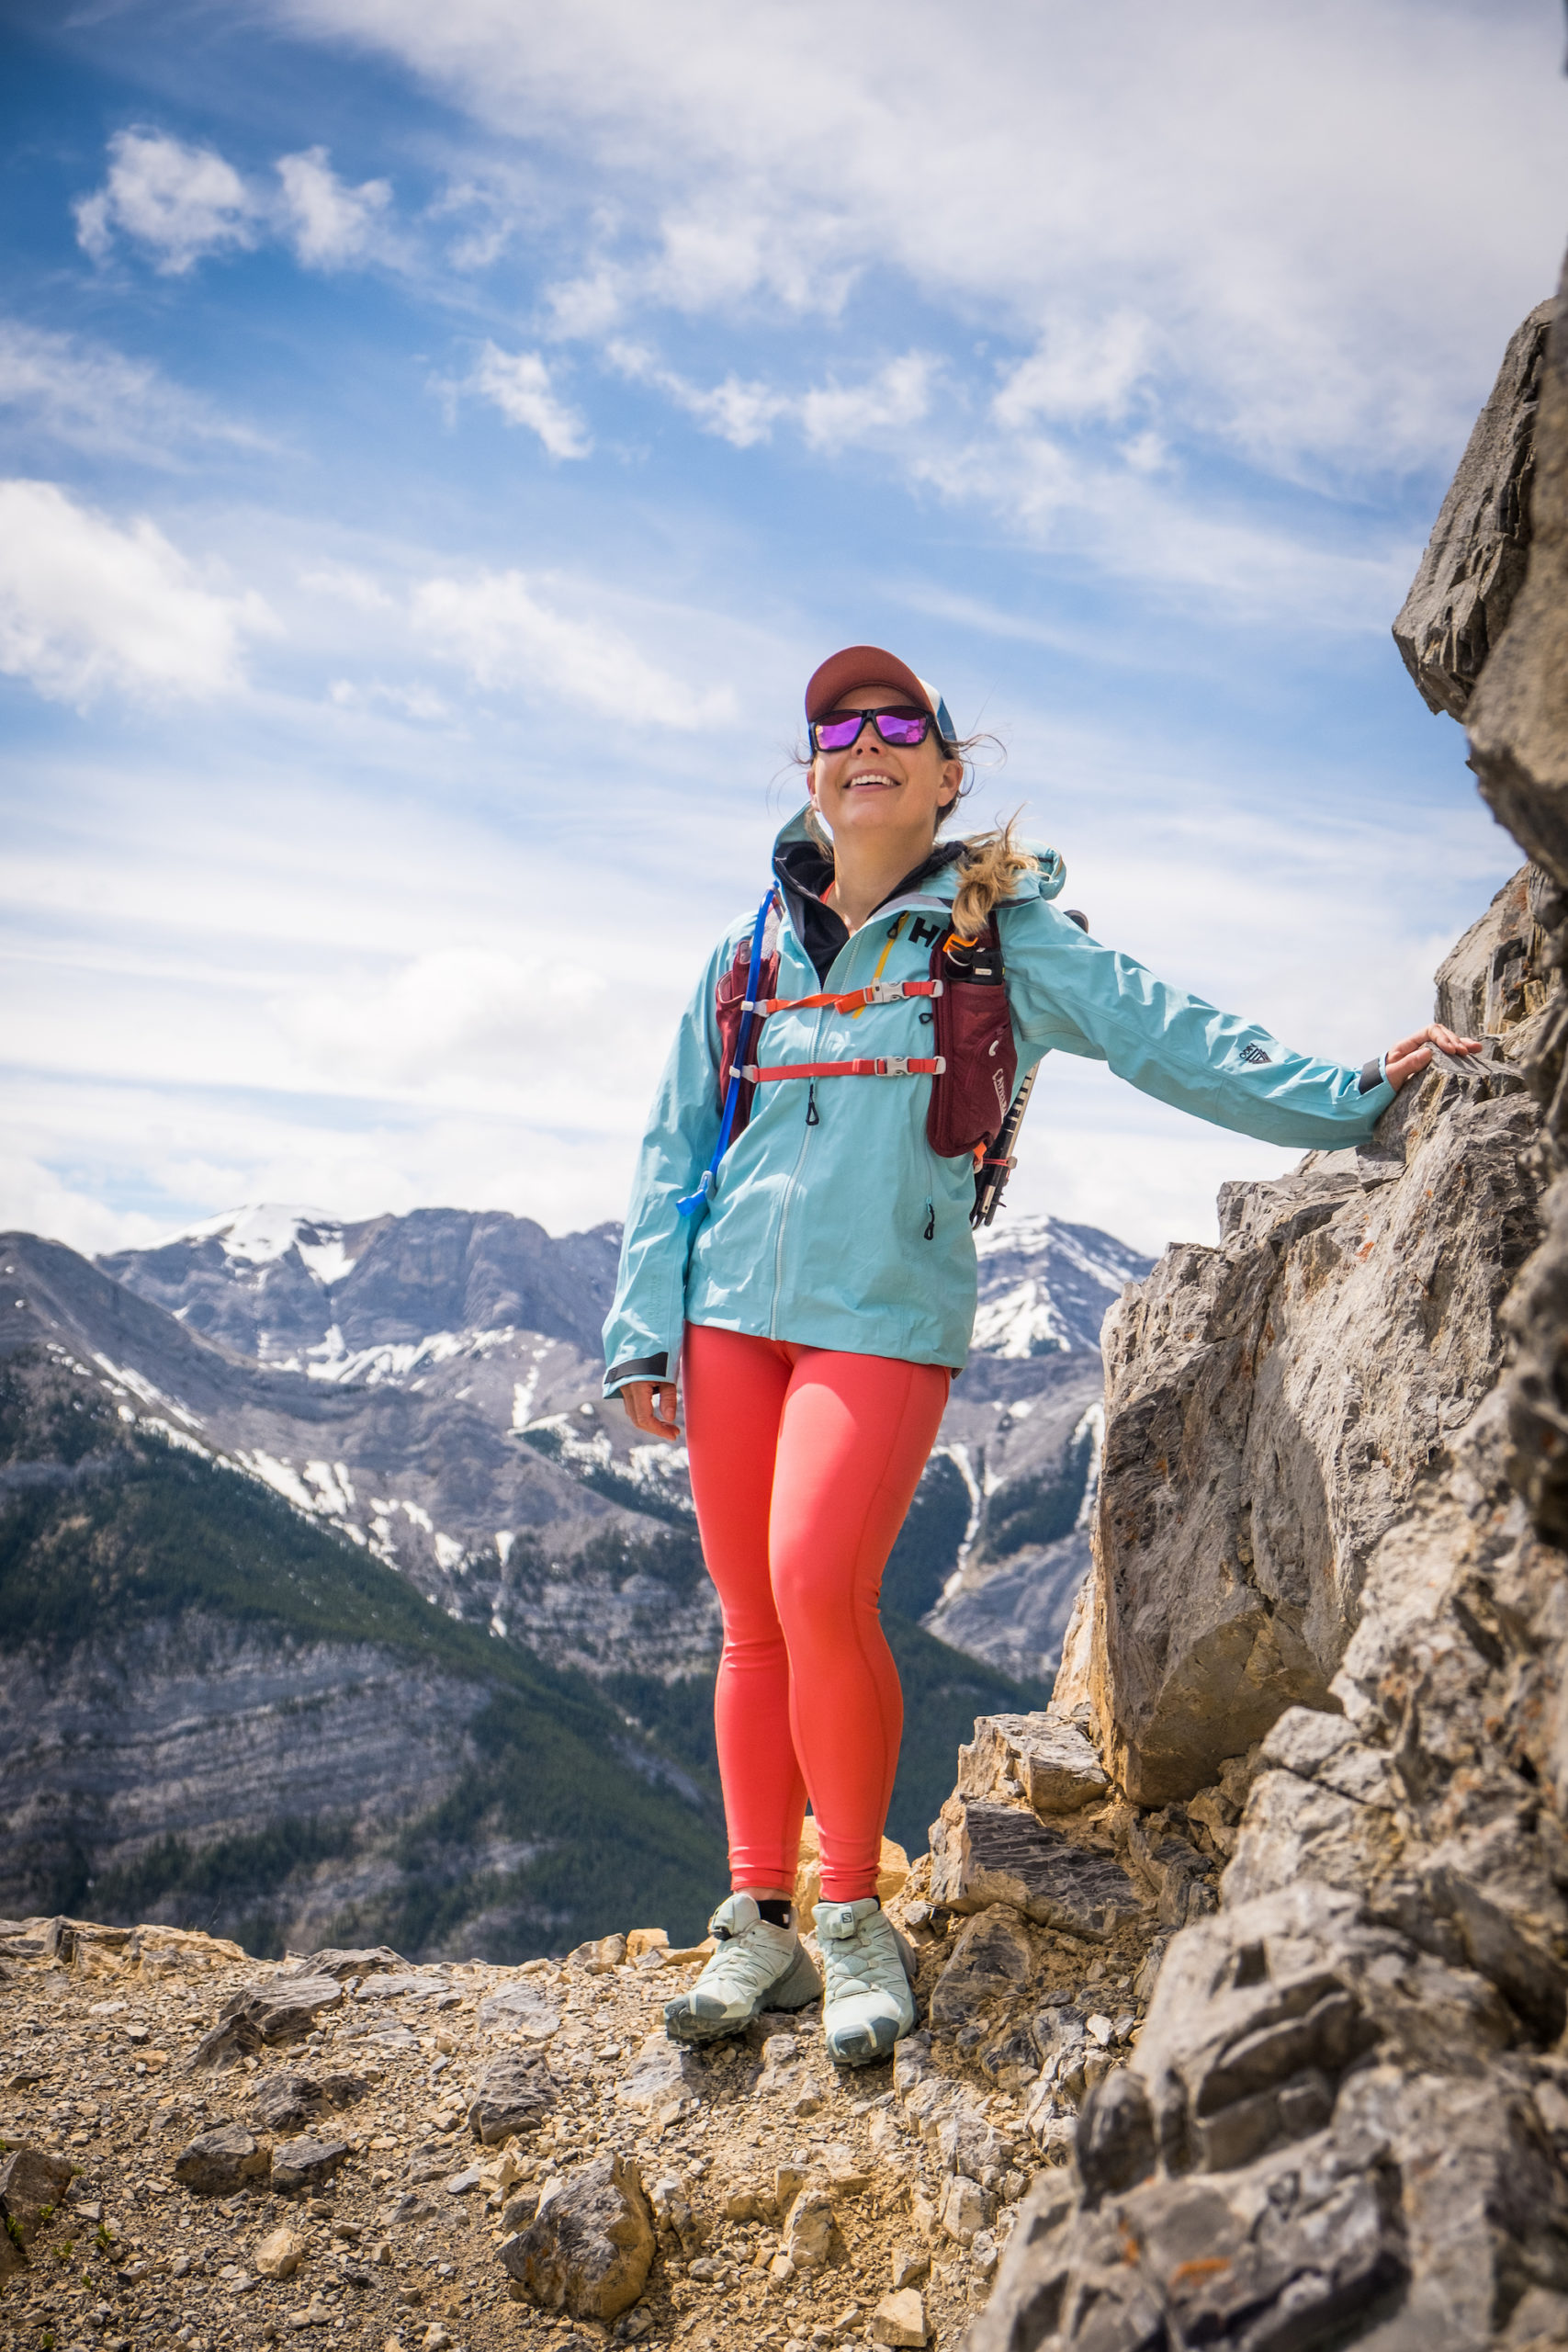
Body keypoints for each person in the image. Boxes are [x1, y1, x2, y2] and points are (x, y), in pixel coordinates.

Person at [602, 642, 1481, 2067]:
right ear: (813, 775)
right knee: (751, 1617)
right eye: (835, 725)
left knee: (821, 1585)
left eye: (899, 722)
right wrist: (643, 1320)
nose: (862, 739)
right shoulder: (745, 954)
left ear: (949, 776)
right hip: (723, 1321)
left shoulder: (1003, 937)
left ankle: (849, 1919)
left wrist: (1348, 1096)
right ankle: (754, 1918)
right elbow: (673, 1151)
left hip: (880, 1319)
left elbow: (1167, 1035)